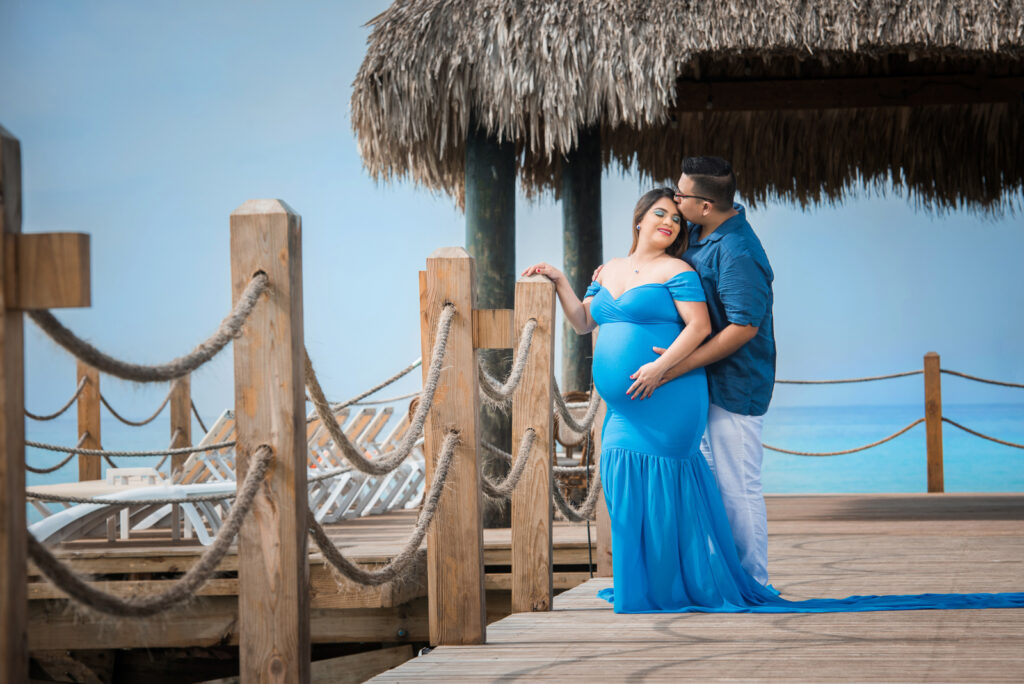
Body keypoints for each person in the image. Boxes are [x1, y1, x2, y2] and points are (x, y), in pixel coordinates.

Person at [523, 188, 1024, 614]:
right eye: (660, 213)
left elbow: (699, 327)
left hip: (668, 395)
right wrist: (562, 280)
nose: (670, 222)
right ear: (638, 219)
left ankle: (687, 583)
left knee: (670, 484)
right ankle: (644, 587)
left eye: (676, 218)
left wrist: (660, 368)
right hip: (624, 410)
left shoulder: (680, 271)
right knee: (622, 482)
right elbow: (584, 322)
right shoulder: (606, 270)